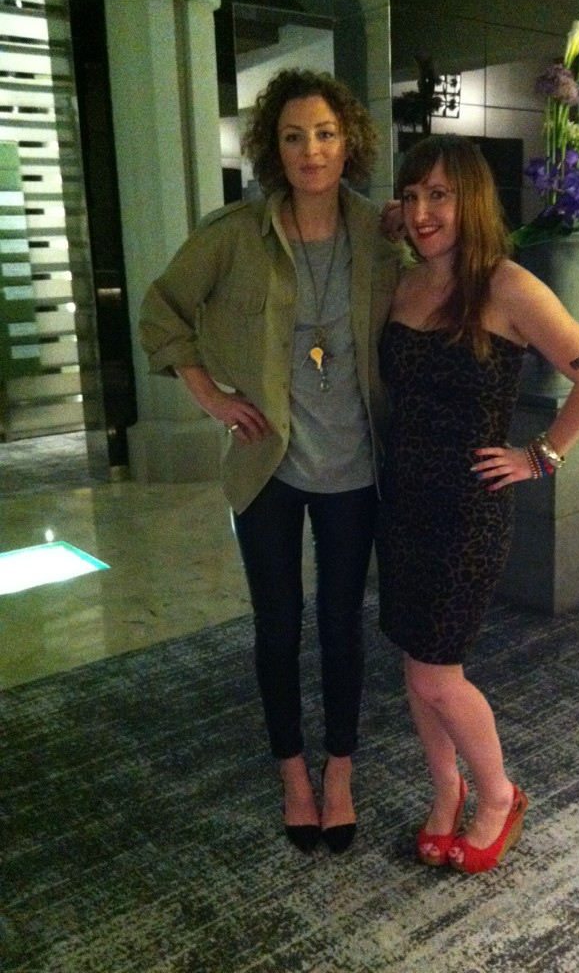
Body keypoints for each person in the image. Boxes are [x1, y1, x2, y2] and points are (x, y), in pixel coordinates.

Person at [139, 69, 401, 854]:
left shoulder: (379, 234)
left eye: (324, 133)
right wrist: (210, 397)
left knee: (342, 626)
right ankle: (293, 772)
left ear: (347, 141)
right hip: (268, 468)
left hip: (355, 469)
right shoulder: (233, 235)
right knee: (277, 626)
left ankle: (340, 770)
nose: (310, 150)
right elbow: (162, 310)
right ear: (271, 148)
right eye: (293, 136)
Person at [375, 134, 579, 874]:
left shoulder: (508, 286)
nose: (422, 212)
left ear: (472, 200)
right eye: (412, 195)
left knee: (436, 674)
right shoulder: (403, 282)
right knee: (416, 659)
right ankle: (444, 791)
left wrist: (540, 456)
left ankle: (498, 795)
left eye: (439, 196)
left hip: (467, 511)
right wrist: (387, 220)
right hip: (402, 503)